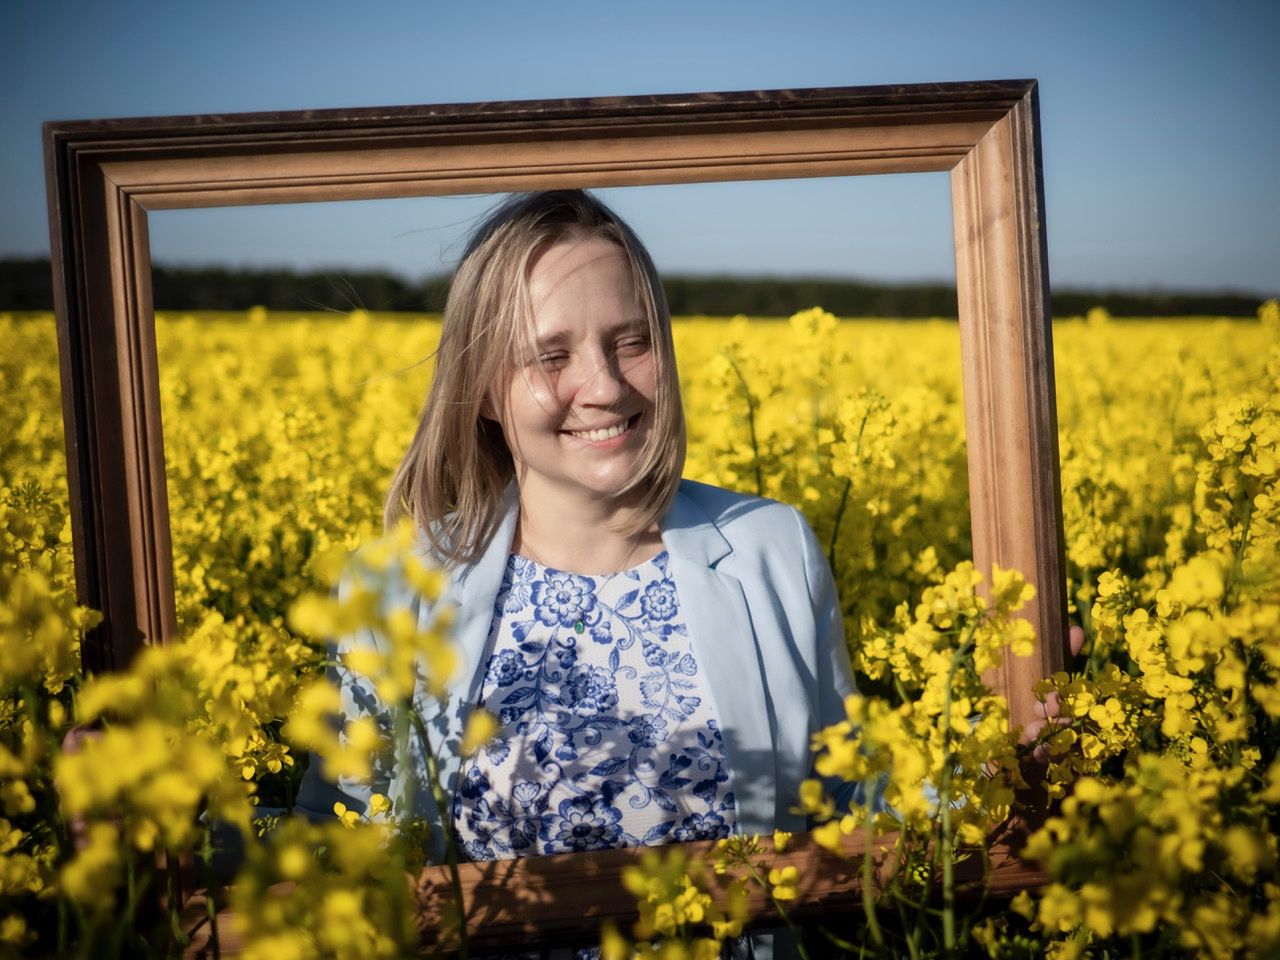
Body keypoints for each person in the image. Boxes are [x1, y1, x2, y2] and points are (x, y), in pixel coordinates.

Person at [294, 189, 1075, 955]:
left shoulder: (772, 548)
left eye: (631, 341)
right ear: (482, 389)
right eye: (551, 355)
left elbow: (849, 800)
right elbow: (343, 846)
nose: (603, 386)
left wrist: (1000, 760)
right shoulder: (393, 588)